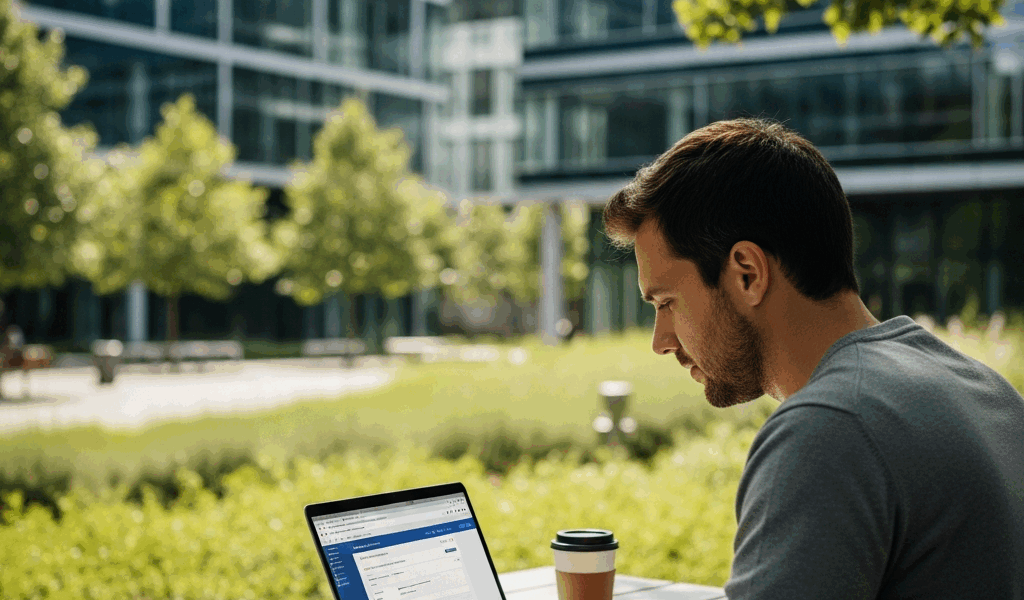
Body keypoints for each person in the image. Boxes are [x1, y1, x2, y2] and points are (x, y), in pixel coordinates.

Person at [602, 118, 1024, 599]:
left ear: (747, 273)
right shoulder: (989, 394)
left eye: (666, 303)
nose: (661, 341)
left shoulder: (830, 428)